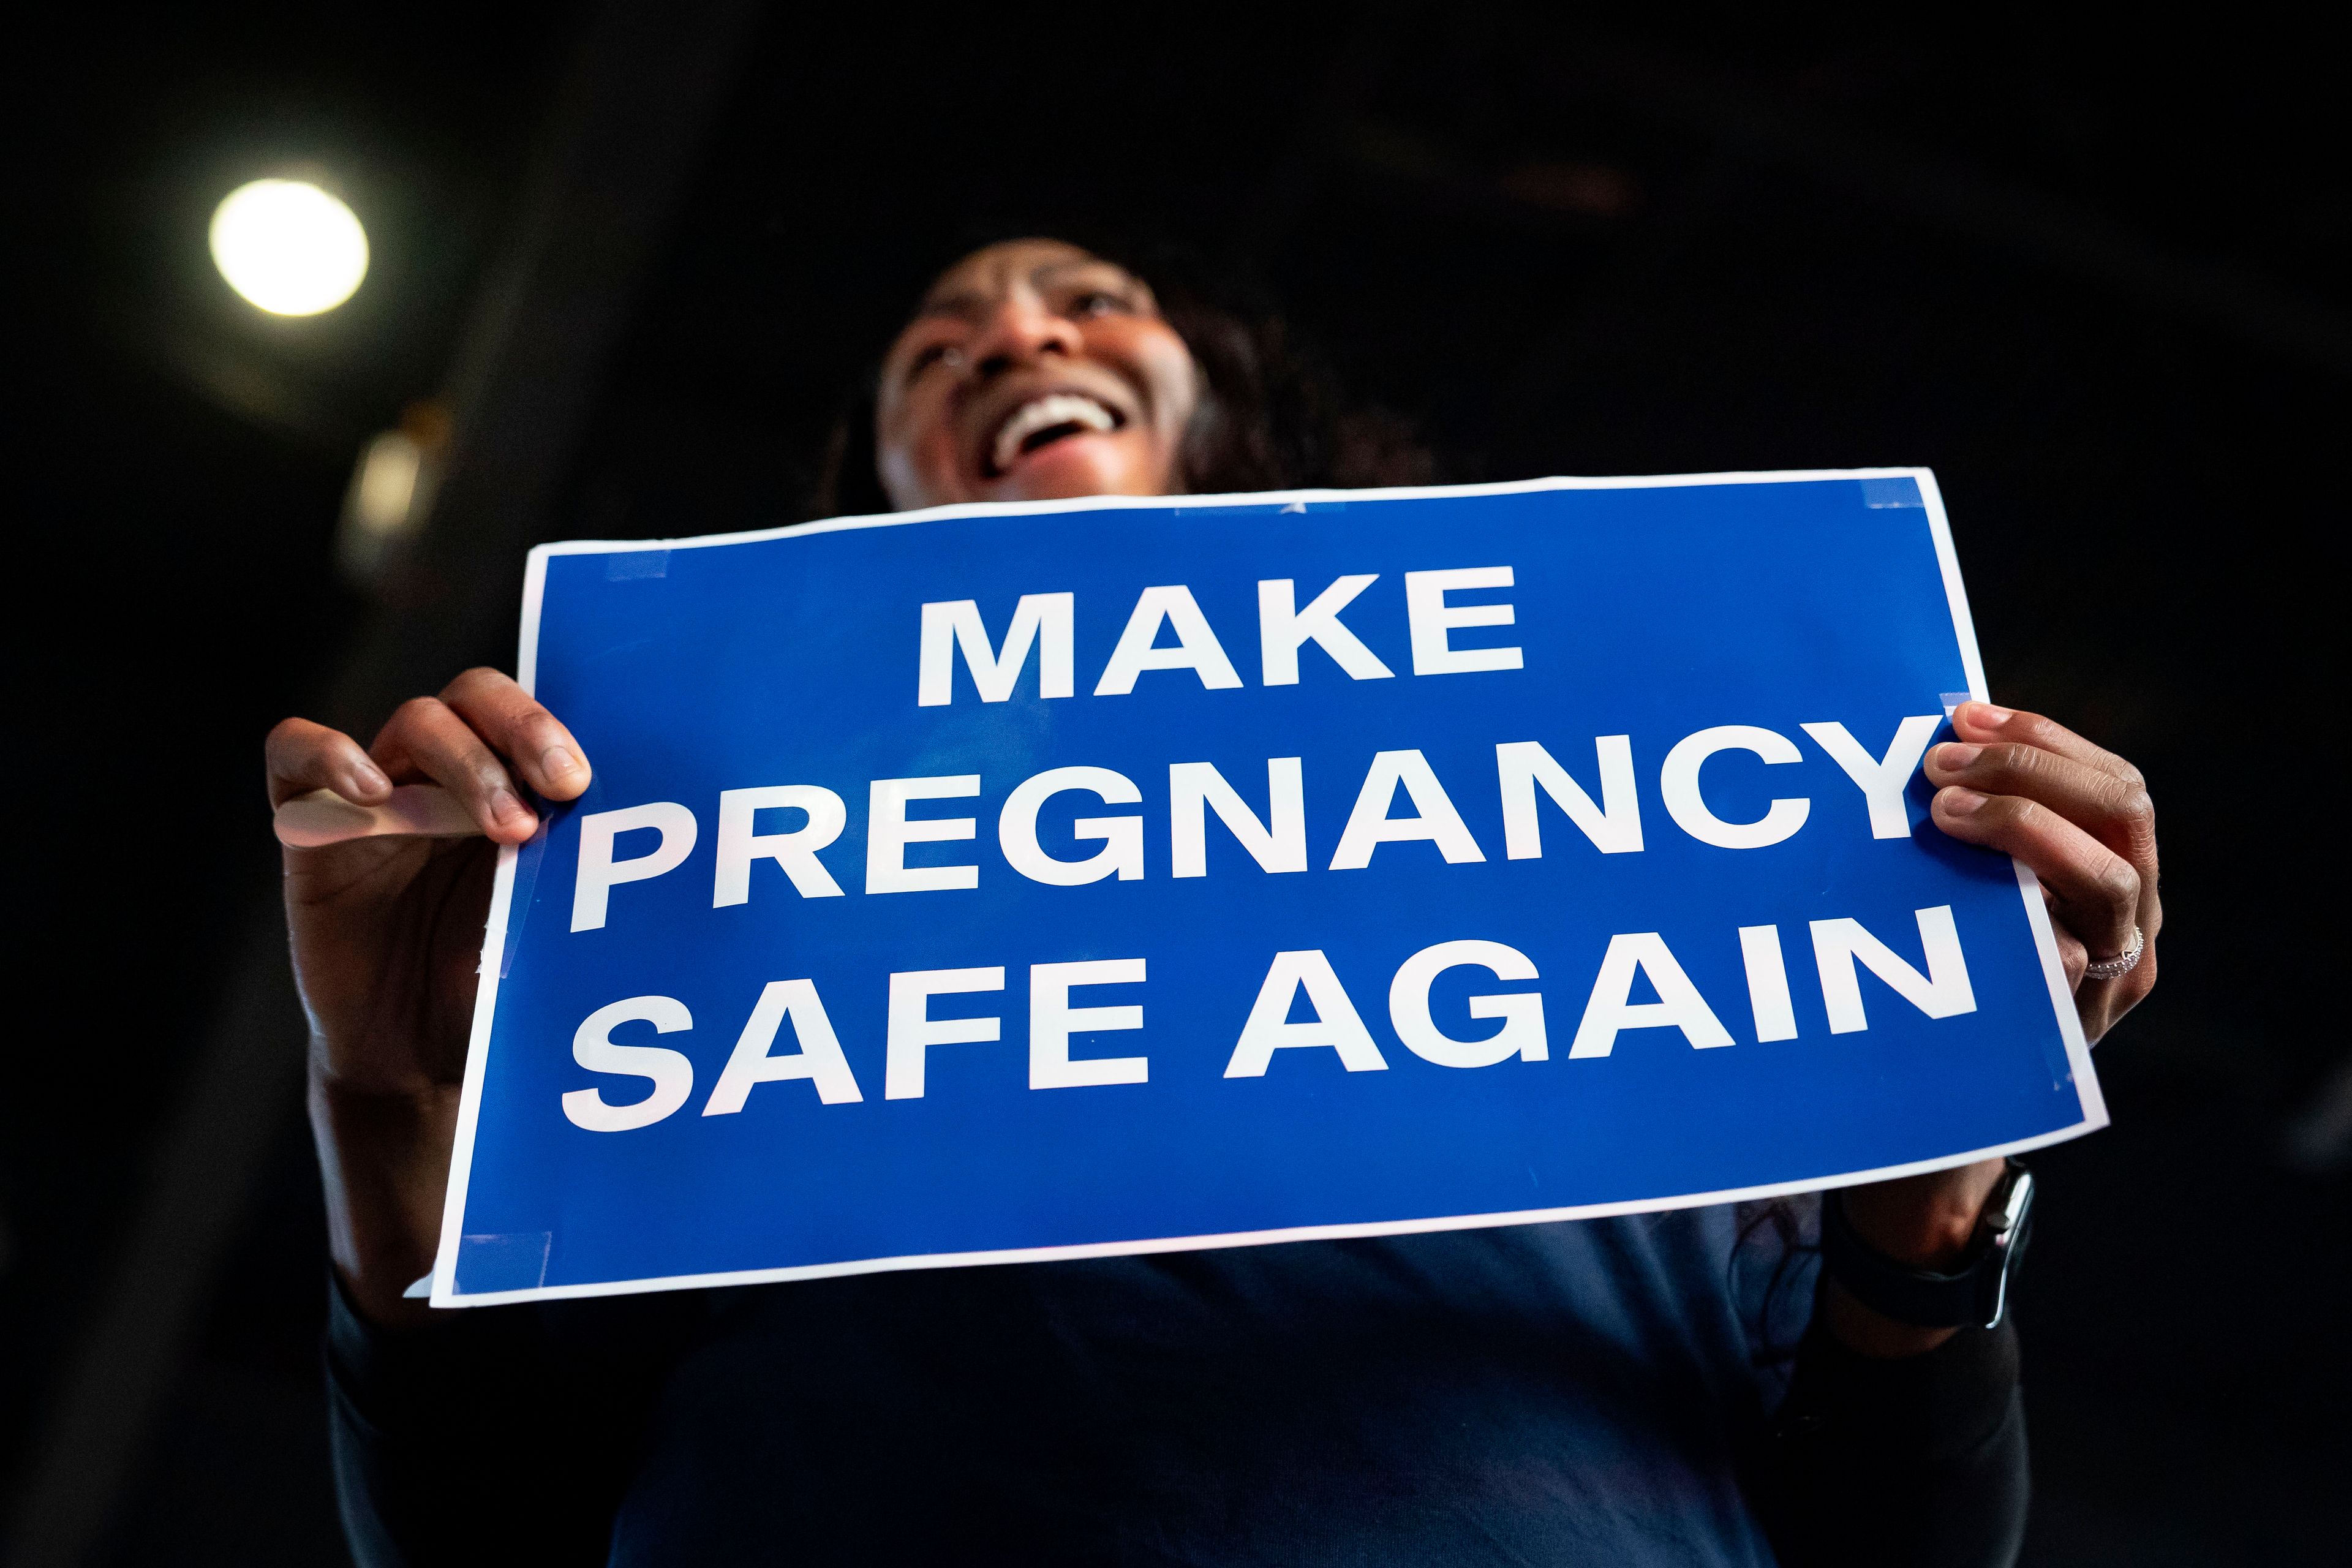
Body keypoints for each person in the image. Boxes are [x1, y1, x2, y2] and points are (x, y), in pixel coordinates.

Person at [269, 238, 2162, 1567]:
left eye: (1090, 303)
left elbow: (1899, 1540)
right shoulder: (659, 912)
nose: (1019, 334)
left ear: (1228, 416)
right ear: (869, 511)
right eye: (940, 354)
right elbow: (475, 1539)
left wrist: (1936, 1187)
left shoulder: (1665, 889)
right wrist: (390, 1104)